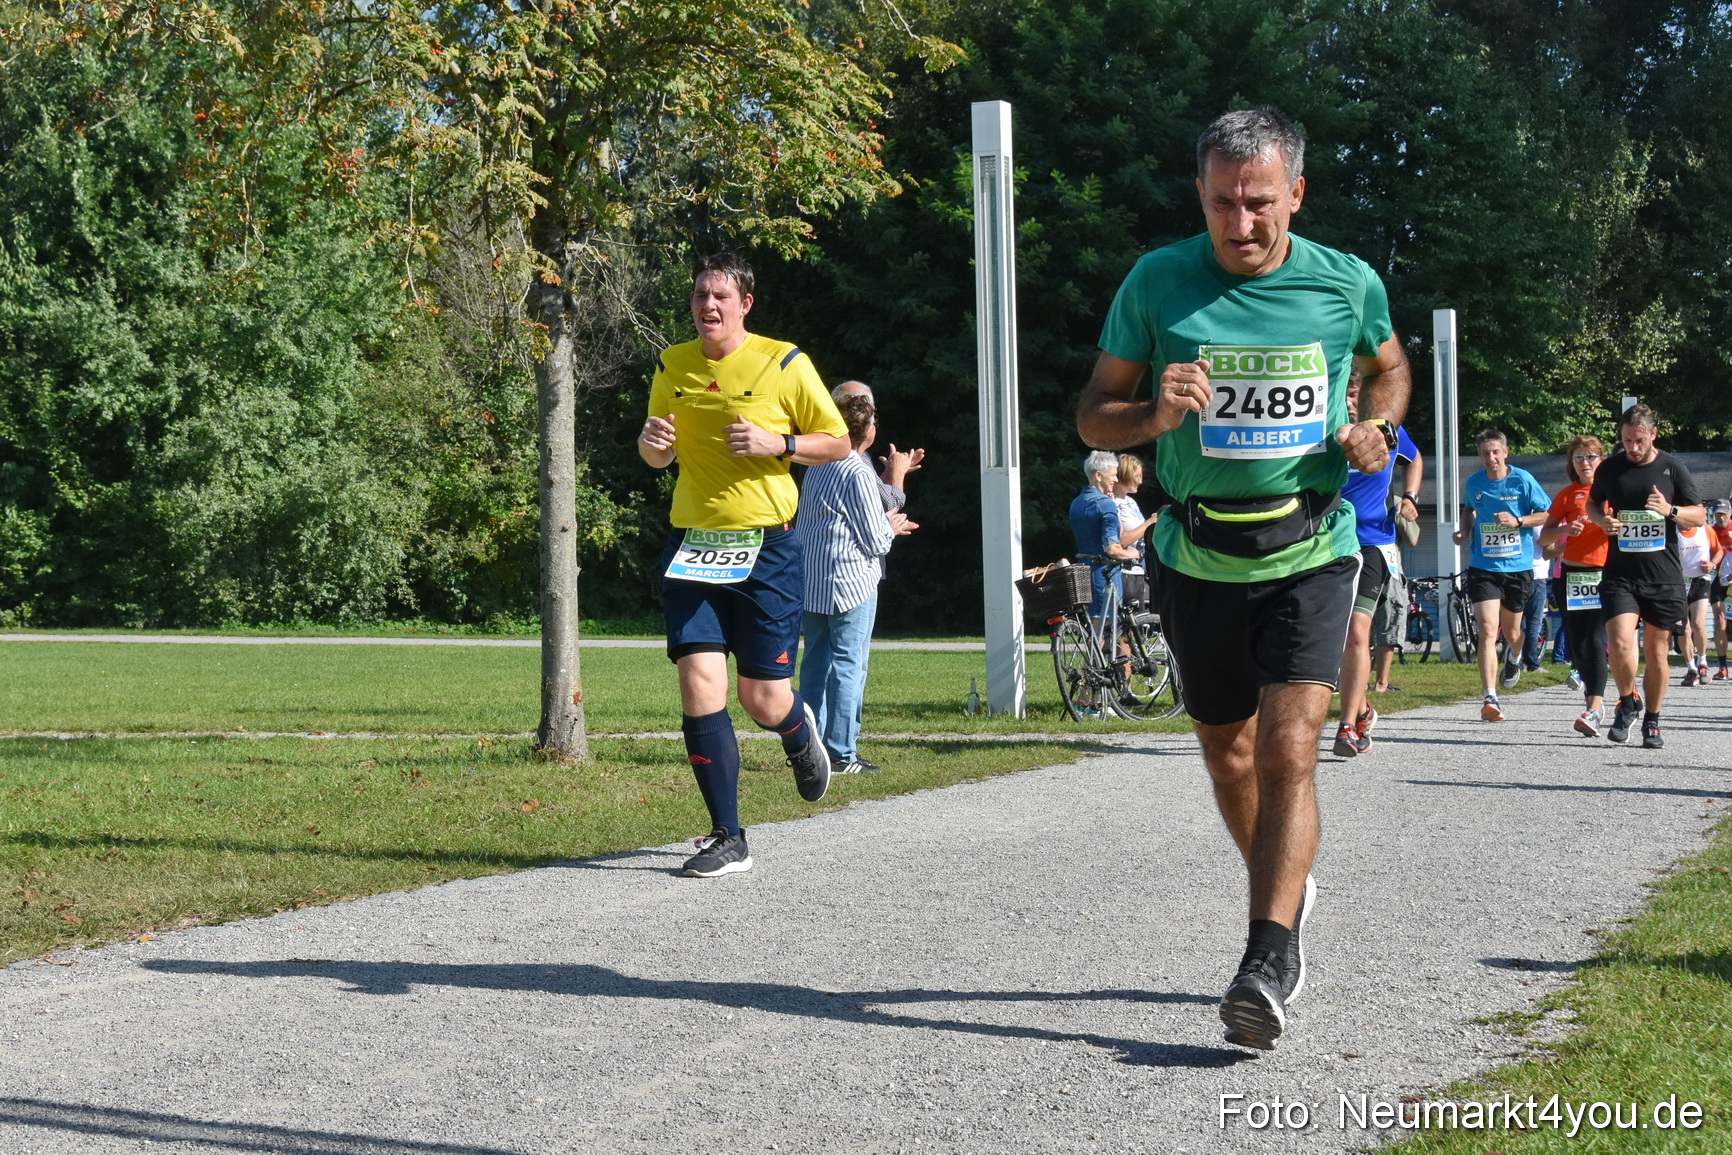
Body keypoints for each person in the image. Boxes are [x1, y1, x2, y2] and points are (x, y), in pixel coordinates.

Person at [1076, 108, 1410, 1052]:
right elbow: (1093, 416)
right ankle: (1289, 887)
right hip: (1196, 553)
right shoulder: (1157, 281)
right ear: (1201, 196)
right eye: (1223, 202)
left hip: (1311, 546)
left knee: (1290, 744)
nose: (1242, 222)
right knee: (1227, 750)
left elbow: (1389, 370)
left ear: (1295, 193)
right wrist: (1149, 413)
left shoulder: (1346, 284)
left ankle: (1267, 953)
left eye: (1260, 202)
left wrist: (1375, 430)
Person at [638, 252, 851, 877]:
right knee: (700, 681)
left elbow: (837, 441)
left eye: (720, 297)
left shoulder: (784, 362)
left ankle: (794, 730)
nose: (708, 305)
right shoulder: (671, 364)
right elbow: (656, 453)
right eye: (701, 295)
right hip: (694, 542)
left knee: (761, 698)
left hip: (767, 545)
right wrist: (652, 448)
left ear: (744, 304)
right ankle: (727, 836)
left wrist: (778, 443)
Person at [796, 394, 912, 776]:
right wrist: (891, 527)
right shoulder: (856, 471)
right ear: (868, 431)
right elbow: (875, 539)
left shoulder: (817, 465)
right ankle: (842, 753)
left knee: (814, 664)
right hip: (851, 582)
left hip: (812, 579)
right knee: (849, 666)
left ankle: (809, 750)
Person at [1584, 403, 1706, 748]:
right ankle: (1627, 700)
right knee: (1620, 642)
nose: (1633, 448)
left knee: (1656, 653)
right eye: (1626, 441)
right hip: (1621, 574)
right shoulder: (1610, 469)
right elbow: (1594, 503)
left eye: (1639, 440)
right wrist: (1600, 519)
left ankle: (1651, 720)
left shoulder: (1672, 469)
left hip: (1663, 576)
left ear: (1653, 435)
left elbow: (1698, 516)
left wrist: (1671, 510)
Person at [1333, 371, 1420, 756]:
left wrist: (1410, 496)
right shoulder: (1322, 432)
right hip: (1328, 540)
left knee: (1357, 629)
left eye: (1358, 395)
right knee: (1327, 638)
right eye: (1346, 395)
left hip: (1373, 543)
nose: (1352, 402)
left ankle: (1346, 727)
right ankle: (1363, 707)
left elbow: (1414, 460)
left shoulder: (1387, 432)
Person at [1450, 429, 1550, 721]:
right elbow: (1469, 508)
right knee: (1487, 629)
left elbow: (1547, 514)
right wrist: (1465, 529)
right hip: (1484, 568)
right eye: (1485, 453)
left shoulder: (1522, 480)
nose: (1490, 458)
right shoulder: (1474, 482)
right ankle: (1489, 697)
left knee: (1513, 632)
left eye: (1495, 452)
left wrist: (1518, 520)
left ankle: (1515, 659)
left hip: (1518, 569)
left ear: (1506, 452)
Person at [1538, 435, 1611, 736]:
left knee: (1595, 640)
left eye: (1591, 456)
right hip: (1570, 577)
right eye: (1579, 458)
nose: (1585, 463)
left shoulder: (1612, 493)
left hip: (1603, 575)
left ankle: (1595, 707)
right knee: (1578, 647)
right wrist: (1566, 529)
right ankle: (1592, 697)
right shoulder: (1567, 495)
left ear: (1601, 460)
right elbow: (1544, 538)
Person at [833, 380, 925, 513]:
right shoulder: (853, 461)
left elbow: (872, 495)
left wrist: (891, 472)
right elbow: (887, 505)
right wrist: (898, 473)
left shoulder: (853, 454)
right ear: (866, 426)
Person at [1113, 454, 1160, 607]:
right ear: (1125, 474)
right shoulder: (1112, 503)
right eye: (1137, 476)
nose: (1140, 481)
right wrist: (1149, 523)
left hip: (1139, 570)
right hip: (1123, 572)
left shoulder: (1130, 502)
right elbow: (1120, 540)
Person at [1677, 519, 1719, 686]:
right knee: (1683, 630)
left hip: (1700, 581)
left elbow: (1718, 551)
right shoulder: (1672, 532)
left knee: (1699, 625)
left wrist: (1712, 564)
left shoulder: (1705, 529)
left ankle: (1703, 663)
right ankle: (1691, 668)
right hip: (1679, 583)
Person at [1710, 500, 1732, 679]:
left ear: (1730, 513)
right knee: (1720, 620)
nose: (1721, 517)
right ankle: (1722, 665)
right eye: (1718, 514)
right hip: (1720, 578)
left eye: (1724, 513)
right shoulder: (1710, 531)